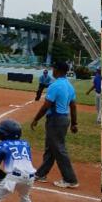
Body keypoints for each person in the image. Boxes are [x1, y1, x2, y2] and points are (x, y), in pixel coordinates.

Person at [31, 59, 79, 189]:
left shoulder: (55, 85)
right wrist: (74, 123)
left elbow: (47, 105)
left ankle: (70, 179)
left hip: (56, 120)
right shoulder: (69, 85)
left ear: (57, 70)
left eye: (54, 68)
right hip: (64, 119)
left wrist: (36, 119)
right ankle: (41, 174)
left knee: (58, 149)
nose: (52, 70)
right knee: (50, 147)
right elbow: (73, 106)